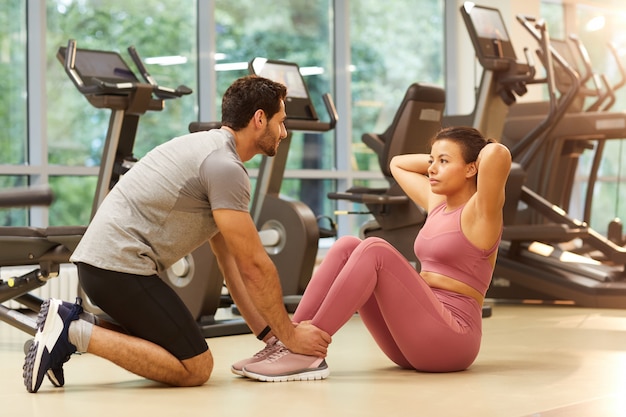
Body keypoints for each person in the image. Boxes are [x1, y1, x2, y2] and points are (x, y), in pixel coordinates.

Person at [22, 75, 331, 393]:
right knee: (195, 368)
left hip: (103, 267)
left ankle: (66, 325)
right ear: (259, 118)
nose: (284, 132)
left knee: (178, 351)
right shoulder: (224, 167)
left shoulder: (211, 150)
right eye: (280, 122)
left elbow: (231, 264)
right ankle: (71, 330)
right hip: (119, 268)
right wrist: (291, 336)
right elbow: (254, 265)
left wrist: (270, 336)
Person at [232, 126, 512, 381]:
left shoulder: (482, 212)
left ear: (471, 169)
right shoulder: (437, 202)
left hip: (452, 340)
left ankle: (306, 353)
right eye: (431, 160)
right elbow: (397, 163)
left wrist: (477, 146)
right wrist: (443, 154)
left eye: (443, 161)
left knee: (375, 248)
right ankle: (288, 339)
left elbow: (497, 154)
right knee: (348, 245)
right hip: (415, 337)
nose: (432, 169)